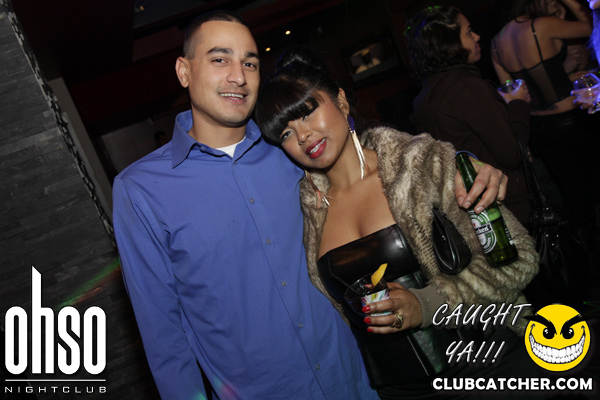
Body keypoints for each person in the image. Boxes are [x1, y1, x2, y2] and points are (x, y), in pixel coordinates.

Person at [113, 10, 511, 400]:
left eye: (250, 63)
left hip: (363, 381)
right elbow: (164, 337)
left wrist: (457, 164)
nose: (238, 76)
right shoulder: (142, 189)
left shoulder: (286, 146)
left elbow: (363, 155)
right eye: (220, 60)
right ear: (184, 71)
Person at [254, 47, 540, 399]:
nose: (302, 135)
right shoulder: (304, 212)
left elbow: (518, 258)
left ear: (341, 101)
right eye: (285, 133)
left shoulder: (424, 165)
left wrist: (427, 304)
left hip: (488, 367)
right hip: (399, 390)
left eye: (307, 112)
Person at [408, 6, 532, 227]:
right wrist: (518, 104)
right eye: (468, 32)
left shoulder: (426, 95)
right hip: (510, 204)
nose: (477, 36)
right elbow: (512, 155)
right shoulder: (466, 87)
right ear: (449, 44)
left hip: (477, 211)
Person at [491, 0, 599, 233]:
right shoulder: (541, 25)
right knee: (593, 184)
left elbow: (512, 93)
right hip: (571, 121)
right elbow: (592, 25)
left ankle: (583, 243)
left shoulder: (496, 43)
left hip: (538, 128)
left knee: (570, 190)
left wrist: (564, 73)